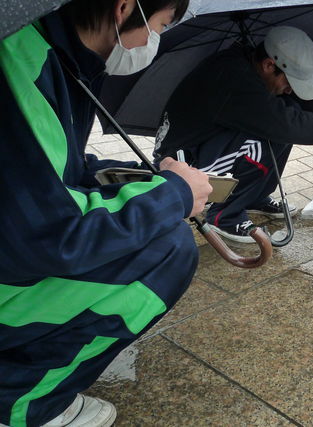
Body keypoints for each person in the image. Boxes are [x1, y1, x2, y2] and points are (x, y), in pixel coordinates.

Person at [0, 0, 212, 426]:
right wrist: (172, 197)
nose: (154, 41)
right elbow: (51, 237)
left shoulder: (49, 50)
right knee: (168, 249)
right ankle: (18, 400)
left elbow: (55, 170)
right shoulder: (19, 63)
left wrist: (136, 178)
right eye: (160, 26)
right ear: (123, 8)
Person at [153, 26, 313, 243]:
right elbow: (289, 124)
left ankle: (252, 197)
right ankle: (224, 216)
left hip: (208, 146)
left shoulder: (250, 68)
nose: (291, 88)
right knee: (274, 131)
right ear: (268, 65)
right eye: (290, 81)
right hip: (183, 165)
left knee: (280, 121)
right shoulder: (232, 78)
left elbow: (292, 106)